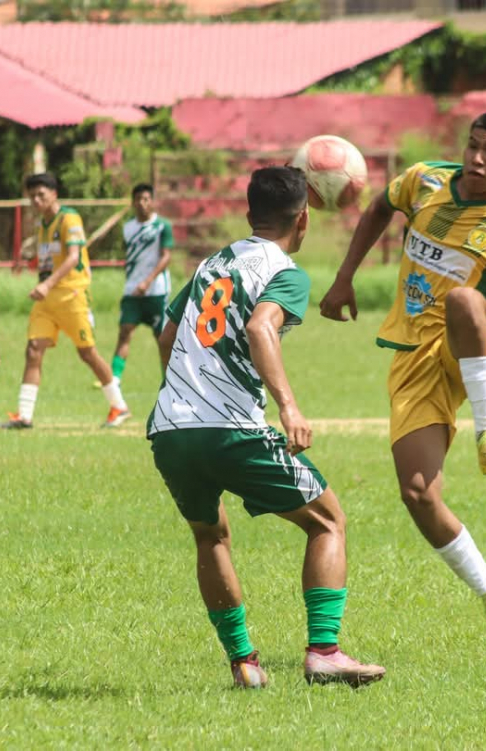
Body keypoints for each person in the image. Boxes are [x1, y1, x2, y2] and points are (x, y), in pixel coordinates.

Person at [319, 111, 486, 654]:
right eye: (473, 145)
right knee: (418, 493)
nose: (477, 158)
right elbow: (379, 207)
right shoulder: (423, 181)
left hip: (473, 342)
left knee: (466, 298)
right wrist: (344, 276)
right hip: (415, 355)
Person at [148, 166, 385, 689]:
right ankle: (324, 651)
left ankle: (245, 665)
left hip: (170, 429)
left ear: (249, 214)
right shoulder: (286, 271)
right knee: (328, 522)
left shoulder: (213, 263)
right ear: (304, 218)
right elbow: (261, 327)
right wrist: (289, 406)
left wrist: (185, 392)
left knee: (211, 537)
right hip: (231, 429)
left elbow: (167, 334)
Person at [0, 172, 129, 430]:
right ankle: (24, 416)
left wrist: (46, 283)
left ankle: (119, 406)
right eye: (31, 196)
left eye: (41, 195)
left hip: (71, 295)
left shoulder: (69, 218)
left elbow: (72, 258)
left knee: (87, 353)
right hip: (47, 300)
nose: (36, 200)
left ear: (54, 194)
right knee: (33, 349)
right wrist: (28, 260)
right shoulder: (42, 225)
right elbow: (51, 258)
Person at [108, 183, 174, 386]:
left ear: (152, 202)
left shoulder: (162, 226)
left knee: (162, 339)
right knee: (124, 331)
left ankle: (170, 380)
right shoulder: (128, 227)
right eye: (138, 199)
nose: (142, 203)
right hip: (132, 291)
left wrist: (148, 281)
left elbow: (165, 257)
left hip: (156, 291)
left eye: (146, 199)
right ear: (133, 202)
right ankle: (113, 380)